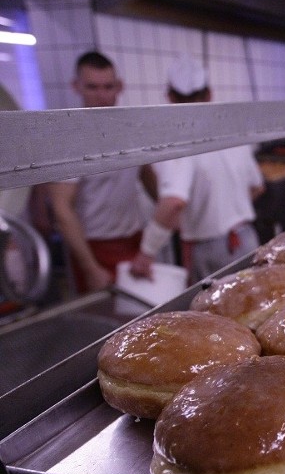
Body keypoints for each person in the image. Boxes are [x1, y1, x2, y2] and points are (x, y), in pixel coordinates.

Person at [129, 55, 265, 285]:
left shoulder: (181, 139)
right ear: (209, 94)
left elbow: (174, 202)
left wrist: (146, 254)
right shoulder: (231, 130)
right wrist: (224, 208)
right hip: (246, 239)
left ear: (170, 97)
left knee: (215, 317)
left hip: (211, 252)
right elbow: (257, 187)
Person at [47, 51, 151, 294]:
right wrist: (90, 267)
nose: (102, 96)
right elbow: (62, 210)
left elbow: (145, 173)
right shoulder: (69, 140)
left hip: (135, 239)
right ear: (77, 87)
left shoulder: (131, 131)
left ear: (119, 86)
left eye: (108, 87)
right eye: (92, 87)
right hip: (95, 247)